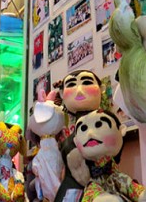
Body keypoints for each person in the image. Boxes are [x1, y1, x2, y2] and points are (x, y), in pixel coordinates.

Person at [53, 70, 103, 202]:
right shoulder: (67, 137)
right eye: (71, 85)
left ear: (101, 89)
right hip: (72, 188)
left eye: (87, 82)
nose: (79, 90)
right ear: (62, 94)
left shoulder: (106, 125)